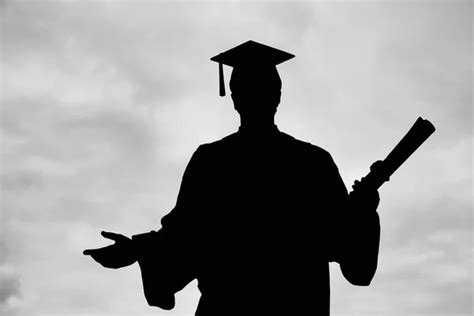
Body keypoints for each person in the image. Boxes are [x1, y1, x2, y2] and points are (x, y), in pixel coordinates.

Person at [84, 40, 381, 315]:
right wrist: (364, 214)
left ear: (235, 97)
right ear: (277, 95)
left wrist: (137, 250)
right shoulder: (312, 162)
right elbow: (353, 257)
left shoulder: (213, 161)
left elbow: (181, 241)